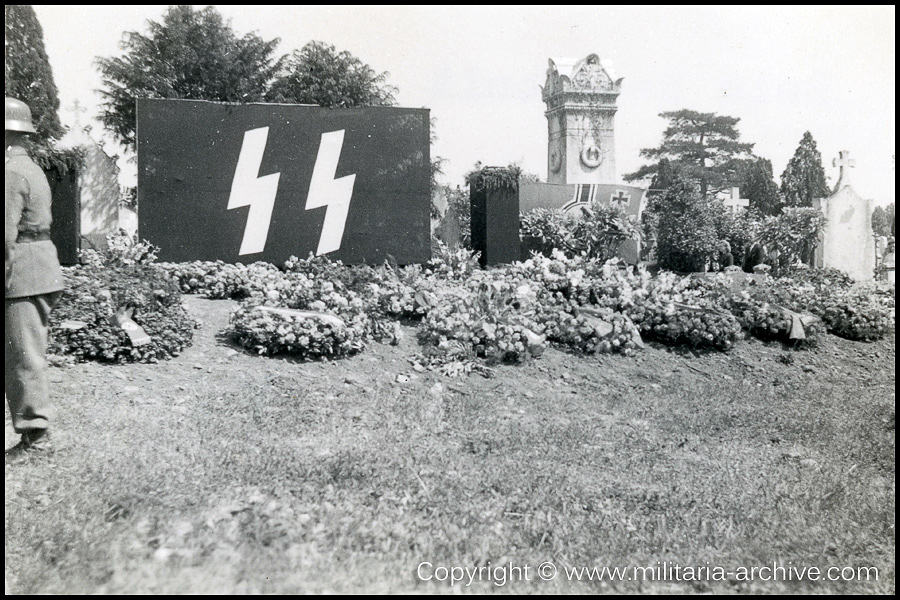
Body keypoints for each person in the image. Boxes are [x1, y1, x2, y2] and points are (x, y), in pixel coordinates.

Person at [5, 97, 65, 463]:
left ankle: (37, 438)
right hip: (38, 268)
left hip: (22, 274)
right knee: (22, 354)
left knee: (23, 357)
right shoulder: (29, 166)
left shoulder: (10, 172)